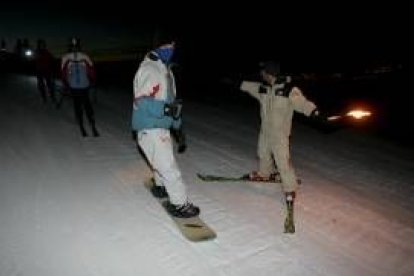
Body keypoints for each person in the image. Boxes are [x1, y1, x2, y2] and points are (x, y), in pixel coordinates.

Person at [238, 61, 327, 233]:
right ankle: (264, 173)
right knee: (262, 153)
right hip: (265, 132)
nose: (261, 74)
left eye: (263, 72)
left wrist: (315, 112)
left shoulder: (288, 90)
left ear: (269, 73)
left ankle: (290, 188)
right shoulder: (263, 88)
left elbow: (302, 103)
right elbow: (249, 86)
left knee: (282, 162)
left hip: (280, 135)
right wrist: (237, 83)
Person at [131, 35, 199, 218]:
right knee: (169, 167)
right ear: (163, 47)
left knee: (161, 162)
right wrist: (167, 108)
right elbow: (141, 101)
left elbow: (172, 104)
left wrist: (178, 127)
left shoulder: (166, 70)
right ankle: (179, 204)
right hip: (150, 126)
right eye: (171, 46)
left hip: (159, 126)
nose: (174, 49)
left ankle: (161, 187)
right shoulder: (149, 69)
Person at [61, 37, 99, 137]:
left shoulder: (74, 57)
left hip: (80, 85)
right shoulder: (72, 57)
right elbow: (64, 72)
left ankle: (87, 121)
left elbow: (91, 69)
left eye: (75, 46)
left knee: (83, 104)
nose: (74, 48)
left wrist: (93, 80)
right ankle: (85, 121)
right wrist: (66, 83)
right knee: (82, 104)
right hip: (78, 85)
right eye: (73, 46)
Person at [34, 39, 56, 104]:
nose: (42, 45)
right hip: (39, 70)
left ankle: (52, 96)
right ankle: (43, 97)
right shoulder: (37, 52)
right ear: (39, 45)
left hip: (47, 70)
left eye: (43, 44)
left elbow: (52, 59)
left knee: (50, 84)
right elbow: (35, 59)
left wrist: (52, 66)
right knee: (41, 84)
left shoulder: (47, 52)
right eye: (41, 44)